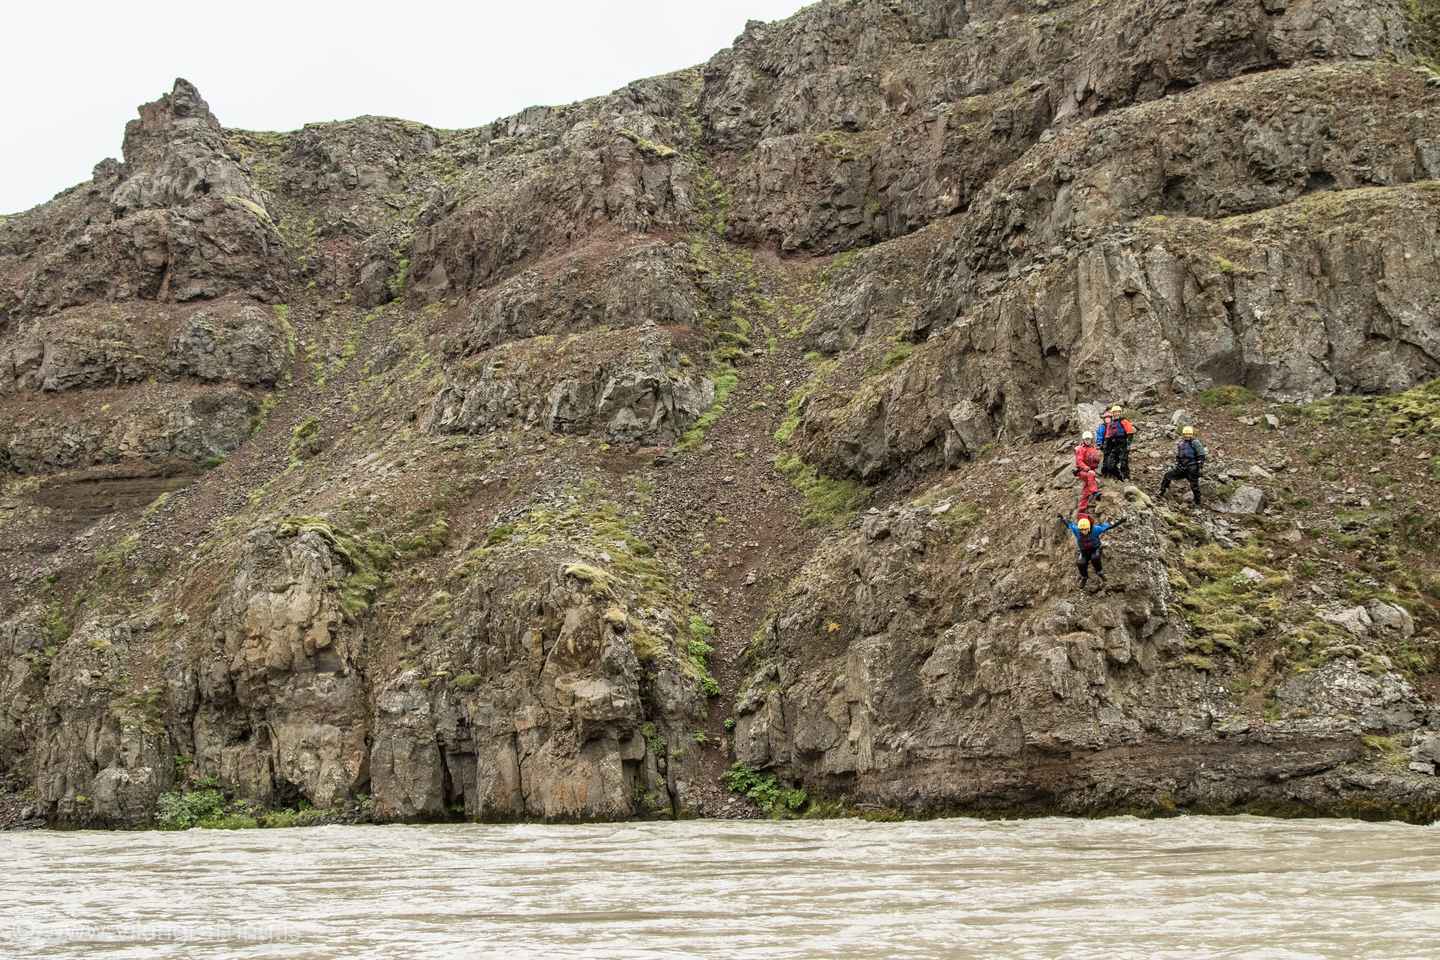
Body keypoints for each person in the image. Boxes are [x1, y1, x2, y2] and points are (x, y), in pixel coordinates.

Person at [1058, 513, 1126, 587]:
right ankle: (1084, 577)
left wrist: (1120, 521)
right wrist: (1062, 518)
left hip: (1095, 548)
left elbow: (1107, 527)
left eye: (1085, 529)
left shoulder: (1095, 529)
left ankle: (1099, 572)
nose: (1083, 531)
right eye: (1081, 530)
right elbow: (1069, 524)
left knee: (1095, 558)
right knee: (1080, 563)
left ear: (1089, 528)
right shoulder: (1077, 530)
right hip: (1084, 551)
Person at [1159, 424, 1207, 505]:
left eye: (1188, 435)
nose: (1187, 436)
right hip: (1182, 467)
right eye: (1185, 435)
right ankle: (1162, 492)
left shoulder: (1195, 443)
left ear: (1191, 435)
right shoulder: (1181, 444)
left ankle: (1198, 502)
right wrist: (1179, 464)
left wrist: (1199, 466)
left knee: (1194, 486)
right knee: (1167, 476)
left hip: (1192, 468)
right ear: (1183, 435)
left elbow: (1201, 455)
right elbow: (1179, 456)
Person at [1096, 405, 1136, 481]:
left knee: (1123, 462)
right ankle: (1119, 477)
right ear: (1113, 413)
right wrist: (1105, 447)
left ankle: (1126, 477)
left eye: (1118, 412)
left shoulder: (1124, 421)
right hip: (1114, 445)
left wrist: (1128, 444)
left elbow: (1130, 433)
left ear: (1120, 413)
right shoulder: (1111, 424)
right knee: (1110, 464)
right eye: (1115, 412)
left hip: (1123, 444)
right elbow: (1108, 436)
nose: (1116, 414)